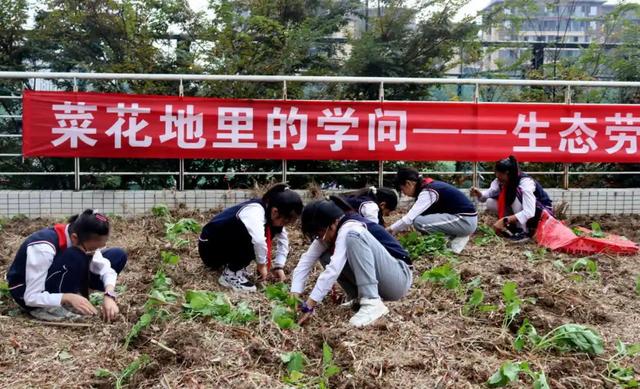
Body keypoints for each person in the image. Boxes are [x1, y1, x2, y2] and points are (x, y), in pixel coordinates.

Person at [291, 197, 413, 328]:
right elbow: (305, 262)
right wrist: (294, 296)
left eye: (319, 233)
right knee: (324, 254)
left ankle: (371, 302)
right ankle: (358, 298)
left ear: (333, 223)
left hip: (399, 278)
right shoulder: (328, 233)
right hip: (384, 278)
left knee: (354, 236)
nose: (319, 238)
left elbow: (333, 269)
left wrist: (310, 304)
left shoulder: (350, 227)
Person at [6, 209, 127, 322]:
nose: (95, 251)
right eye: (93, 248)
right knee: (76, 255)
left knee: (117, 255)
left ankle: (77, 294)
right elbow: (31, 297)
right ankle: (51, 307)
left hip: (58, 273)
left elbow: (105, 268)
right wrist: (68, 297)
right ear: (74, 238)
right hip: (27, 292)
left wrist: (109, 294)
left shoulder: (80, 236)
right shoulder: (43, 248)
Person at [198, 183, 303, 292]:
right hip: (209, 249)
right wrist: (261, 265)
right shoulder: (255, 211)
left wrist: (279, 266)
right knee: (254, 238)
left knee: (268, 231)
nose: (285, 225)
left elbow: (283, 241)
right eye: (286, 221)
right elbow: (258, 241)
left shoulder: (271, 214)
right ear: (275, 211)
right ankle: (230, 275)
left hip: (221, 247)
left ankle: (235, 268)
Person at [389, 167, 478, 254]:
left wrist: (390, 230)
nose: (404, 193)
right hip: (463, 219)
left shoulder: (428, 192)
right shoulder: (429, 185)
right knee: (423, 218)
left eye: (402, 189)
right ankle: (455, 237)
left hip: (465, 221)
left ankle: (453, 239)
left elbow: (409, 219)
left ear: (408, 183)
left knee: (419, 222)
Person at [470, 155, 553, 242]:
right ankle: (514, 226)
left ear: (507, 173)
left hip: (541, 212)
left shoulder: (525, 183)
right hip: (526, 211)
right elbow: (488, 194)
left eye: (500, 176)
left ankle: (523, 232)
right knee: (490, 202)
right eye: (497, 175)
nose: (498, 178)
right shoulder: (501, 181)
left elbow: (529, 212)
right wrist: (479, 194)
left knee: (514, 194)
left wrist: (504, 220)